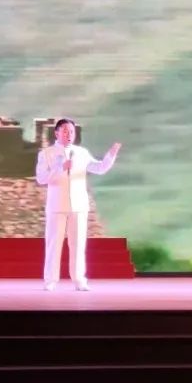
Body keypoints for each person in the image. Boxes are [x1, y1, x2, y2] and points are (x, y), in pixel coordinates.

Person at [35, 118, 121, 291]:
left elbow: (99, 168)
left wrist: (111, 155)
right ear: (57, 133)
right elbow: (41, 178)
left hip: (79, 205)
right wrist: (60, 167)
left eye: (72, 131)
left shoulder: (81, 153)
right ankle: (51, 280)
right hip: (57, 205)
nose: (69, 134)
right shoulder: (47, 154)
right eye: (65, 131)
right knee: (53, 244)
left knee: (78, 244)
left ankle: (79, 279)